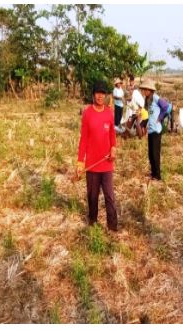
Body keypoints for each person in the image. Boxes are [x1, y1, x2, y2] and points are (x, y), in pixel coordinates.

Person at [77, 80, 118, 231]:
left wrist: (113, 147)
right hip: (92, 165)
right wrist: (80, 161)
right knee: (92, 197)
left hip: (107, 163)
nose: (100, 96)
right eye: (97, 93)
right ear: (93, 95)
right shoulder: (87, 113)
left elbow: (112, 134)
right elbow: (83, 139)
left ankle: (112, 227)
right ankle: (93, 224)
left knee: (109, 196)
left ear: (106, 95)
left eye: (102, 93)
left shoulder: (109, 113)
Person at [139, 79, 170, 181]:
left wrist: (160, 118)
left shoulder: (156, 98)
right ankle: (153, 173)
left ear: (150, 90)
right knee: (150, 153)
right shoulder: (147, 100)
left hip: (157, 130)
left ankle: (158, 176)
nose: (144, 92)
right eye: (143, 90)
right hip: (151, 130)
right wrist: (144, 123)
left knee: (155, 153)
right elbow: (149, 114)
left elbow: (166, 107)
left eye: (145, 90)